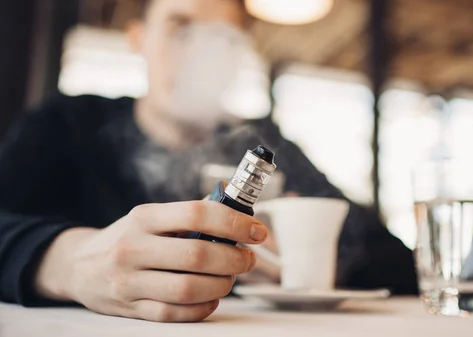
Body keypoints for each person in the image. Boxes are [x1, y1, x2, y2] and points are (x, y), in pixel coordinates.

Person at [0, 0, 417, 322]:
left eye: (223, 38)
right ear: (137, 38)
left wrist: (304, 261)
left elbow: (398, 264)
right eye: (180, 29)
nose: (201, 54)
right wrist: (71, 262)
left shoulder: (267, 144)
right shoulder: (67, 123)